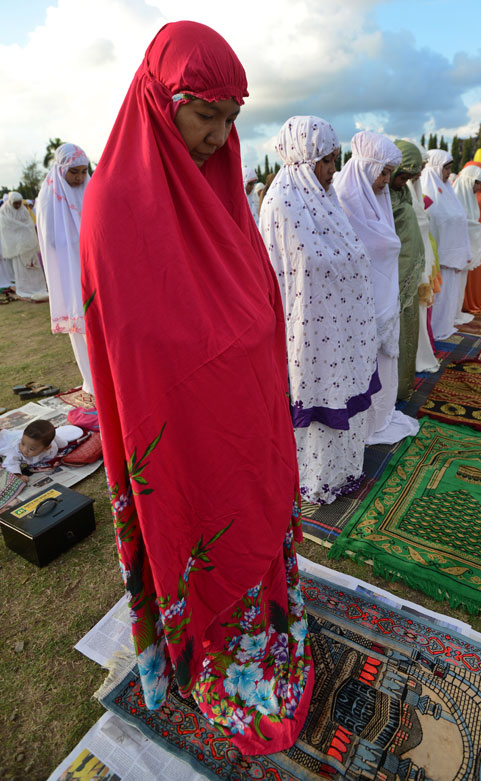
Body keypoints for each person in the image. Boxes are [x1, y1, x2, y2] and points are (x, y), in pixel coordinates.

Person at [80, 22, 313, 755]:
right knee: (198, 523)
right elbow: (133, 345)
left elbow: (250, 290)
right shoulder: (113, 205)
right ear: (161, 99)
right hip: (175, 420)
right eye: (204, 114)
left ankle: (257, 631)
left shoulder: (222, 190)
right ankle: (203, 649)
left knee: (248, 516)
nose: (218, 135)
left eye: (231, 119)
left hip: (241, 411)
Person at [260, 115, 380, 504]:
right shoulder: (283, 202)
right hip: (307, 332)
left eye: (334, 159)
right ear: (303, 156)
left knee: (343, 393)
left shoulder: (325, 200)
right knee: (317, 402)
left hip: (340, 326)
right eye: (325, 161)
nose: (332, 170)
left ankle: (342, 469)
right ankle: (315, 477)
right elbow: (289, 274)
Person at [335, 131, 419, 443]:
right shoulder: (342, 201)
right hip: (355, 307)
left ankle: (379, 416)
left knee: (382, 364)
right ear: (367, 168)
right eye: (382, 172)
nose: (386, 180)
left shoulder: (379, 202)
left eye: (388, 173)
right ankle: (359, 423)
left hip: (384, 302)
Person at [36, 144, 94, 395]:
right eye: (74, 172)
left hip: (94, 268)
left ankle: (110, 378)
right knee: (81, 326)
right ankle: (93, 383)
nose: (80, 177)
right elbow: (50, 239)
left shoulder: (90, 189)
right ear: (61, 169)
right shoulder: (49, 196)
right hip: (71, 271)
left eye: (83, 171)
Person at [388, 140, 426, 399]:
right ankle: (388, 390)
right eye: (402, 176)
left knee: (407, 327)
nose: (404, 182)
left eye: (409, 178)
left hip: (407, 271)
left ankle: (402, 387)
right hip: (389, 273)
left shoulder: (403, 193)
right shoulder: (376, 193)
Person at [421, 150, 471, 340]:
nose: (448, 173)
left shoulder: (448, 191)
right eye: (446, 168)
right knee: (437, 297)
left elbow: (459, 218)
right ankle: (432, 332)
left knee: (449, 296)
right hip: (438, 256)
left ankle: (443, 327)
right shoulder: (427, 189)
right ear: (434, 168)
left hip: (453, 254)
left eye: (450, 168)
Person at [406, 141, 440, 374]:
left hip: (422, 260)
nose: (421, 172)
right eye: (419, 166)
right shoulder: (401, 190)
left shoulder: (414, 189)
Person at [0, 192, 48, 302]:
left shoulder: (24, 210)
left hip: (28, 245)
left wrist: (24, 229)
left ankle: (38, 287)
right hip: (17, 247)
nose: (17, 206)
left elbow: (30, 224)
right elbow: (6, 228)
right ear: (11, 202)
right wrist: (22, 228)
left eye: (19, 203)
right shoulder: (4, 211)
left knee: (33, 267)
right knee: (22, 270)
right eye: (15, 204)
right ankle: (25, 289)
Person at [453, 164, 481, 318]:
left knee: (460, 285)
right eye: (477, 183)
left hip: (465, 249)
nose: (479, 187)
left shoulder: (470, 198)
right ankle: (449, 316)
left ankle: (456, 313)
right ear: (468, 181)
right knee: (452, 286)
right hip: (454, 251)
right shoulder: (455, 196)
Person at [0, 420, 67, 480]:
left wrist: (64, 444)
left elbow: (61, 442)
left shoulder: (52, 448)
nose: (24, 450)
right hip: (8, 440)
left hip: (26, 438)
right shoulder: (17, 449)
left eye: (31, 449)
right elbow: (10, 463)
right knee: (4, 437)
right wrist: (18, 476)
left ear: (46, 448)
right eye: (23, 444)